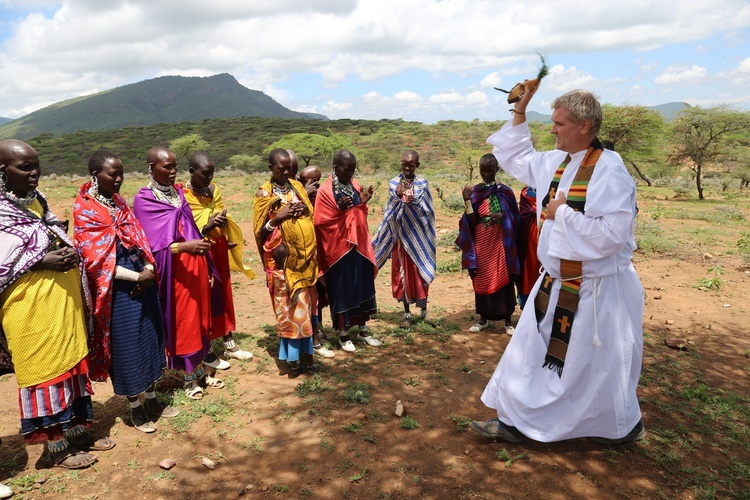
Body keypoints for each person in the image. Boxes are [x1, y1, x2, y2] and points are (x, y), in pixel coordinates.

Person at [471, 87, 645, 444]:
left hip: (595, 291)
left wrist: (560, 213)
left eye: (559, 124)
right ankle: (519, 421)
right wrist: (520, 109)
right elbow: (517, 156)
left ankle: (612, 426)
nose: (552, 130)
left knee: (592, 365)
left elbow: (612, 235)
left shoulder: (609, 172)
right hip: (555, 282)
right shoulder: (559, 162)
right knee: (537, 355)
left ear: (584, 126)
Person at [0, 139, 114, 469]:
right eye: (24, 167)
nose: (34, 173)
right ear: (2, 171)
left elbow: (46, 235)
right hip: (28, 309)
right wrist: (40, 259)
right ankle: (56, 446)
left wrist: (62, 251)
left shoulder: (37, 202)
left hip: (62, 303)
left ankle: (78, 431)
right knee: (45, 373)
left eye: (36, 165)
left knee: (72, 368)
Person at [74, 149, 179, 434]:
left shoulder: (119, 203)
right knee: (127, 347)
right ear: (96, 175)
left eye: (121, 173)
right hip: (117, 290)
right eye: (113, 174)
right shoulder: (85, 209)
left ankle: (153, 398)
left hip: (142, 280)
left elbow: (139, 237)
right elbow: (94, 260)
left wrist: (149, 267)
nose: (119, 179)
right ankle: (136, 409)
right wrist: (136, 276)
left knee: (149, 336)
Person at [133, 146, 222, 400]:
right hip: (173, 271)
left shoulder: (178, 194)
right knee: (183, 321)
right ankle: (187, 377)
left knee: (198, 317)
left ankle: (200, 369)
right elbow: (149, 246)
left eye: (174, 166)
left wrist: (202, 252)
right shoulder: (144, 199)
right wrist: (184, 247)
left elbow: (190, 229)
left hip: (194, 265)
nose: (173, 172)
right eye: (166, 167)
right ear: (151, 168)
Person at [184, 151, 255, 369]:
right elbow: (186, 228)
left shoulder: (213, 190)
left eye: (212, 173)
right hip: (199, 251)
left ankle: (229, 342)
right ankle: (207, 350)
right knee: (204, 298)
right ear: (192, 172)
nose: (210, 177)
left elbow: (221, 215)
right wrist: (209, 225)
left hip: (218, 247)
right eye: (206, 173)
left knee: (223, 294)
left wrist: (224, 229)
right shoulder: (183, 195)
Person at [253, 149, 319, 376]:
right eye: (281, 167)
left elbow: (309, 214)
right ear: (270, 167)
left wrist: (303, 209)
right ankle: (293, 361)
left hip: (303, 259)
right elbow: (260, 231)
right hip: (280, 263)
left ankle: (308, 358)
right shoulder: (264, 193)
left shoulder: (297, 187)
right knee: (288, 309)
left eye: (289, 167)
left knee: (305, 308)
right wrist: (277, 219)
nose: (286, 171)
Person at [314, 149, 379, 353]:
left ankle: (363, 329)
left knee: (362, 285)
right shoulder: (326, 191)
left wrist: (362, 202)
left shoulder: (355, 185)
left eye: (353, 169)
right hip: (337, 250)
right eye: (347, 169)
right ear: (335, 167)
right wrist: (339, 211)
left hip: (358, 245)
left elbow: (357, 213)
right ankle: (343, 334)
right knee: (343, 289)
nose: (351, 173)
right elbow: (320, 221)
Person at [455, 153, 520, 335]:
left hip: (501, 244)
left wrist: (503, 216)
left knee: (504, 279)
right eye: (483, 171)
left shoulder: (505, 192)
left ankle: (508, 321)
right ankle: (483, 319)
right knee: (481, 279)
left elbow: (516, 217)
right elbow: (472, 221)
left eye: (490, 171)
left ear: (496, 170)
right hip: (482, 244)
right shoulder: (475, 192)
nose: (486, 174)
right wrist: (467, 200)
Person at [372, 150, 437, 329]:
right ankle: (407, 314)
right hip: (401, 238)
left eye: (411, 164)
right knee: (404, 276)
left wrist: (412, 201)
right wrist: (398, 197)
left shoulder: (423, 184)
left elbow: (428, 211)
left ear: (417, 165)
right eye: (405, 164)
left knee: (421, 272)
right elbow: (391, 211)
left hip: (420, 237)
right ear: (401, 163)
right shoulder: (394, 183)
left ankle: (424, 313)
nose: (408, 167)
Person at [296, 165, 335, 358]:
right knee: (312, 293)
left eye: (319, 181)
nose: (316, 185)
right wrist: (304, 194)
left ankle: (319, 325)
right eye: (311, 182)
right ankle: (314, 328)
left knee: (322, 291)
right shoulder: (299, 196)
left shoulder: (324, 196)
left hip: (324, 249)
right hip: (306, 251)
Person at [517, 186, 540, 309]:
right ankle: (527, 305)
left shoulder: (553, 188)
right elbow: (525, 211)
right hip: (528, 235)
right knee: (529, 269)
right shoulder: (526, 192)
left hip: (546, 234)